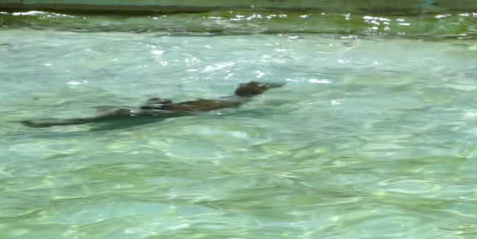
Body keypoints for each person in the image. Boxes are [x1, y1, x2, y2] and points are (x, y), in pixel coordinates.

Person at [21, 81, 282, 128]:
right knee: (86, 122)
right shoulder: (234, 103)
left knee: (86, 122)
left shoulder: (231, 101)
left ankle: (45, 124)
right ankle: (45, 124)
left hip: (168, 109)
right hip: (170, 111)